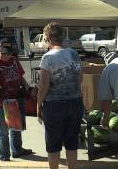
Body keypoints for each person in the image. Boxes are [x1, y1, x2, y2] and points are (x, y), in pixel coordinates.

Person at [36, 22, 84, 169]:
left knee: (53, 144)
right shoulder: (73, 53)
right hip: (75, 103)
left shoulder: (47, 58)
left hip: (54, 105)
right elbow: (80, 78)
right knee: (72, 142)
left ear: (48, 38)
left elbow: (43, 86)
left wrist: (38, 106)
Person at [0, 38, 32, 161]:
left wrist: (26, 86)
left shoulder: (14, 60)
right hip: (0, 102)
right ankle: (4, 155)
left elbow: (20, 77)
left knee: (16, 126)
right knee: (3, 130)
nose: (6, 56)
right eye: (3, 53)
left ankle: (17, 150)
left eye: (9, 53)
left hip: (15, 99)